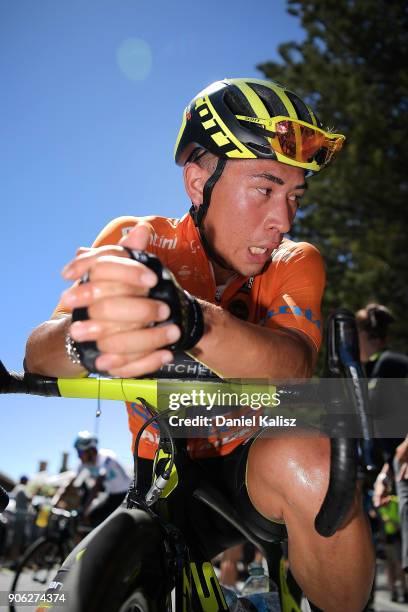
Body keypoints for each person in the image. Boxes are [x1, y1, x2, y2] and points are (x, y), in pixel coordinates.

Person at [25, 77, 374, 611]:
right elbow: (38, 355)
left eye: (294, 196)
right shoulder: (139, 238)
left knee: (312, 455)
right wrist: (90, 332)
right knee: (65, 594)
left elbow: (295, 363)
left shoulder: (295, 261)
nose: (283, 220)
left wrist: (189, 322)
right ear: (197, 182)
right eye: (264, 188)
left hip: (254, 466)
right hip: (161, 474)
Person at [356, 303, 408, 579]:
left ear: (365, 335)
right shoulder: (370, 372)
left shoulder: (390, 362)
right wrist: (385, 474)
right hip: (393, 471)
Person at [70, 431, 131, 527]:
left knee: (112, 524)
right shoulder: (84, 464)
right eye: (77, 452)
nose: (78, 456)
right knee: (93, 518)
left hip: (127, 494)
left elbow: (98, 484)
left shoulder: (106, 457)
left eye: (80, 452)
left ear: (91, 450)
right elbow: (73, 482)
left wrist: (85, 509)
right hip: (111, 495)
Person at [9, 475, 31, 562]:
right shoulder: (21, 488)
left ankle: (13, 559)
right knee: (17, 539)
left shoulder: (17, 488)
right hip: (20, 517)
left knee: (16, 539)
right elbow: (28, 498)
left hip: (17, 516)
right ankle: (13, 560)